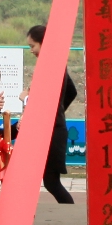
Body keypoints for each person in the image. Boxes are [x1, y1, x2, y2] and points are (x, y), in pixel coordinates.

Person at [28, 23, 77, 204]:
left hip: (51, 133)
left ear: (43, 43)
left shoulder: (49, 65)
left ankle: (70, 215)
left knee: (51, 182)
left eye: (32, 46)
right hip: (55, 130)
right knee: (49, 181)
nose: (31, 50)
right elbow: (71, 91)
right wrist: (58, 112)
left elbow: (42, 100)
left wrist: (27, 98)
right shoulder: (57, 63)